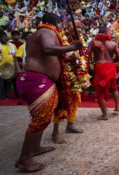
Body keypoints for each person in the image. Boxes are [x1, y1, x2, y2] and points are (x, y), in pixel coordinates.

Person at [15, 13, 83, 172]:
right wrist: (73, 47)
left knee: (42, 117)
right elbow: (48, 49)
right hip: (38, 81)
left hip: (36, 80)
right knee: (41, 119)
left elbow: (49, 56)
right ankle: (24, 159)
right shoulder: (48, 31)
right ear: (57, 23)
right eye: (60, 25)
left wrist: (69, 56)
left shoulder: (36, 34)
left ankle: (36, 148)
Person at [52, 20, 90, 144]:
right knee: (62, 101)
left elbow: (83, 57)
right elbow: (57, 56)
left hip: (78, 76)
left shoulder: (80, 41)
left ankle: (70, 125)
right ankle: (55, 131)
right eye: (76, 28)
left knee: (75, 100)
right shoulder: (61, 39)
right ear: (68, 28)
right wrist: (69, 57)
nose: (79, 30)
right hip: (65, 76)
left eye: (80, 28)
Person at [88, 25, 119, 120]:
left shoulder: (93, 42)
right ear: (107, 33)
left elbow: (87, 55)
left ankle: (104, 115)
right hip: (111, 66)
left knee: (100, 91)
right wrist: (112, 61)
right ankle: (117, 107)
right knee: (114, 87)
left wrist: (90, 63)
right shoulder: (113, 43)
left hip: (100, 67)